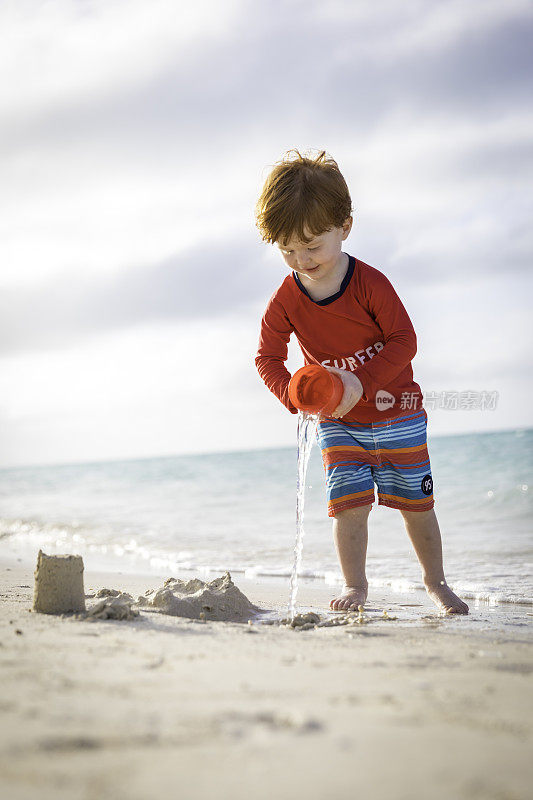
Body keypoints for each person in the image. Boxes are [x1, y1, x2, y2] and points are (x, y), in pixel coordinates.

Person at [254, 149, 469, 615]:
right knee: (348, 505)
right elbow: (267, 357)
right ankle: (356, 586)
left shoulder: (369, 283)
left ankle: (436, 582)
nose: (301, 258)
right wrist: (294, 395)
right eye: (287, 249)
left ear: (344, 227)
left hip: (398, 410)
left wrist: (361, 381)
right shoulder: (287, 298)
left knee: (417, 504)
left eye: (312, 245)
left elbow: (404, 340)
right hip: (338, 423)